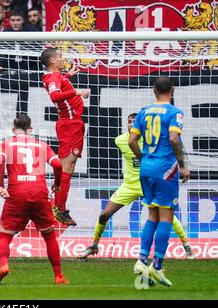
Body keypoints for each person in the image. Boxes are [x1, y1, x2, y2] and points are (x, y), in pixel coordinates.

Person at [78, 113, 194, 260]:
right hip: (129, 185)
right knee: (104, 214)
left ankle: (187, 247)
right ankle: (94, 245)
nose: (132, 123)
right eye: (129, 121)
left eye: (135, 121)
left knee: (167, 215)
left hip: (149, 184)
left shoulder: (151, 140)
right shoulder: (120, 140)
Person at [0, 113, 68, 286]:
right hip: (39, 192)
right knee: (49, 235)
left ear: (13, 129)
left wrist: (0, 186)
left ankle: (4, 266)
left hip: (16, 192)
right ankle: (59, 276)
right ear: (30, 129)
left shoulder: (6, 144)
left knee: (5, 233)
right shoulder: (41, 144)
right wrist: (58, 184)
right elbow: (57, 165)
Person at [129, 76, 190, 287]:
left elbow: (132, 141)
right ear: (172, 91)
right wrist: (182, 166)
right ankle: (156, 266)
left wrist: (143, 158)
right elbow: (174, 138)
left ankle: (142, 260)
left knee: (152, 215)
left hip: (146, 168)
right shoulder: (175, 112)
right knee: (166, 216)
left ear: (154, 91)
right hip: (166, 170)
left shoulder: (144, 111)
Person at [40, 47, 90, 226]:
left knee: (68, 166)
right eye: (60, 56)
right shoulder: (53, 77)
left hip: (72, 124)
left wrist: (67, 76)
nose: (63, 59)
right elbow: (55, 95)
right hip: (69, 125)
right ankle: (59, 208)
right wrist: (76, 91)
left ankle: (57, 203)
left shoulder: (57, 77)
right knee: (66, 169)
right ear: (52, 61)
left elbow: (57, 84)